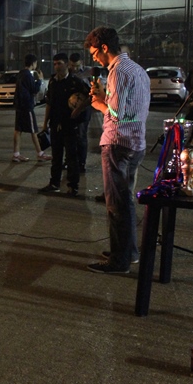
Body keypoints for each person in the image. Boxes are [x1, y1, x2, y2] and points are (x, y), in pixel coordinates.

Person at [85, 26, 150, 273]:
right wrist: (105, 97)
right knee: (125, 201)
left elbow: (116, 114)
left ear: (104, 47)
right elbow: (131, 107)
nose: (94, 59)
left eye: (95, 53)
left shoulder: (118, 71)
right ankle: (128, 251)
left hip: (117, 144)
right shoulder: (136, 69)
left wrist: (99, 104)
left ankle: (119, 261)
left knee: (115, 205)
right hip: (135, 143)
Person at [39, 53, 89, 197]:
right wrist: (45, 124)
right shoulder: (53, 82)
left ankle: (73, 186)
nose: (57, 67)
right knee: (56, 156)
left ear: (67, 64)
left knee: (72, 157)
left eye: (59, 63)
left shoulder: (75, 82)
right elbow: (49, 103)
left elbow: (90, 97)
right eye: (55, 64)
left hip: (70, 125)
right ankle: (54, 183)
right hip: (55, 125)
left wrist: (79, 109)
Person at [12, 54, 51, 163]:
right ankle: (40, 153)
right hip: (26, 106)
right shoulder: (27, 75)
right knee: (33, 130)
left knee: (18, 130)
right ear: (33, 63)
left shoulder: (20, 74)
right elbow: (34, 90)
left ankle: (16, 154)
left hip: (19, 106)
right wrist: (40, 80)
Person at [68, 52, 93, 172]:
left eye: (77, 66)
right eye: (72, 66)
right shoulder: (68, 73)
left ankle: (81, 163)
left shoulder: (88, 72)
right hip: (70, 108)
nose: (74, 68)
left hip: (84, 109)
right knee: (70, 136)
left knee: (81, 135)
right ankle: (69, 161)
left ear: (81, 63)